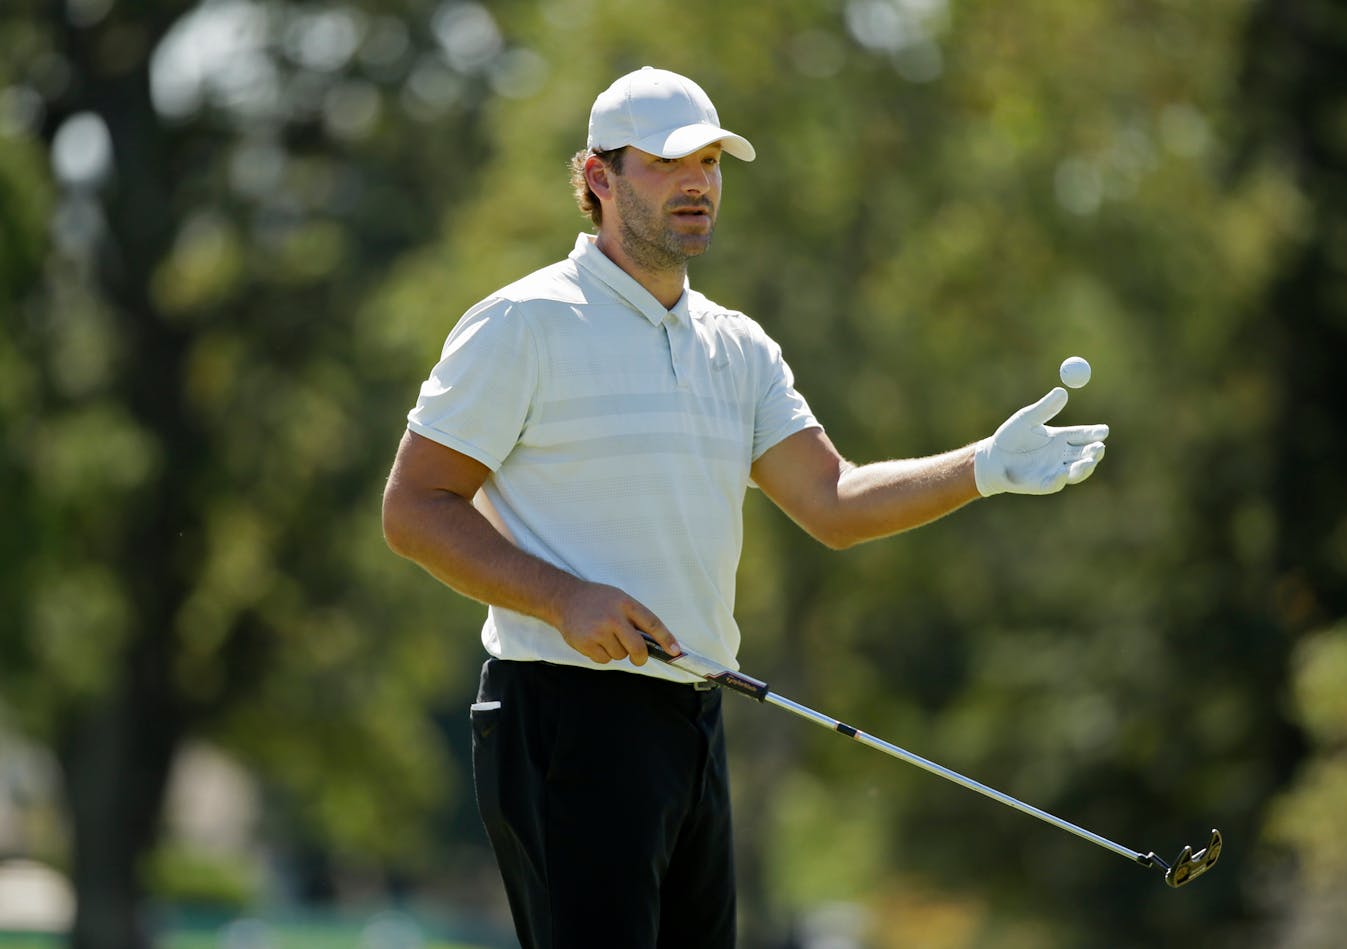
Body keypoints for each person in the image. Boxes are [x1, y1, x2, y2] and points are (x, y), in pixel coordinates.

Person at [381, 66, 1108, 949]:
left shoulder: (738, 346)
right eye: (669, 163)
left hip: (691, 713)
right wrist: (563, 598)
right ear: (599, 179)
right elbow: (415, 507)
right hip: (563, 715)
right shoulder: (523, 324)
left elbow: (833, 501)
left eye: (713, 163)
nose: (698, 183)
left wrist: (983, 466)